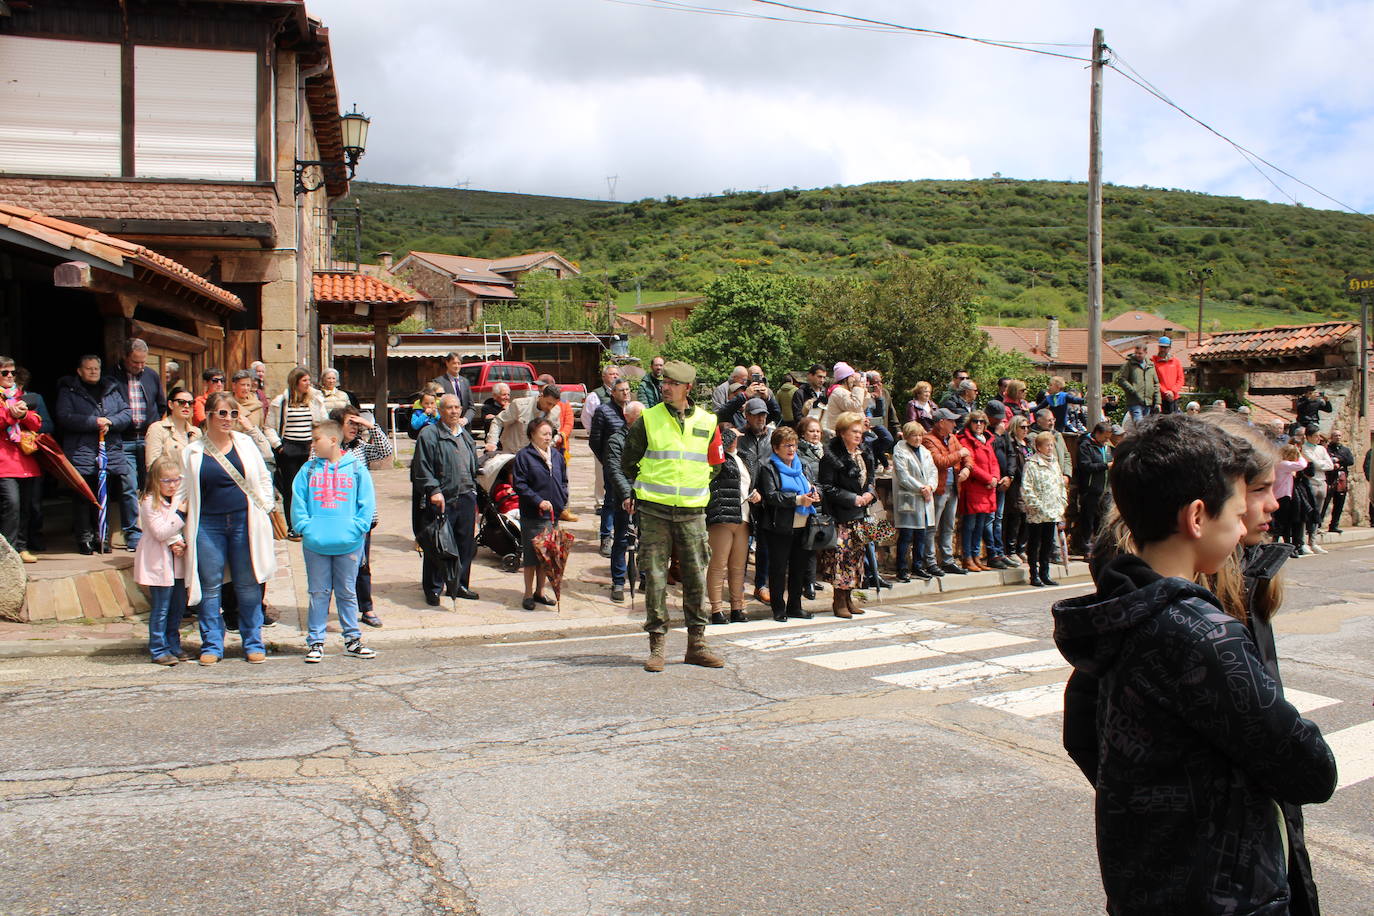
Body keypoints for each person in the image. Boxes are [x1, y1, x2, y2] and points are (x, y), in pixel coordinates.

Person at [1052, 415, 1336, 915]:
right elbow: (1309, 769)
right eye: (1239, 505)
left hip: (1146, 883)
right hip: (1225, 893)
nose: (1251, 517)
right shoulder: (1202, 632)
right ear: (1198, 517)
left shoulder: (1123, 611)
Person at [608, 359, 726, 672]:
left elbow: (715, 464)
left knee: (695, 579)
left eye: (673, 383)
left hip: (692, 512)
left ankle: (697, 645)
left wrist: (694, 485)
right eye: (665, 382)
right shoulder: (648, 418)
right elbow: (627, 462)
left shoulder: (708, 421)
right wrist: (642, 489)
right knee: (656, 579)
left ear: (687, 388)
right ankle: (657, 646)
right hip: (655, 510)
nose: (666, 387)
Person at [180, 391, 278, 665]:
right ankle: (212, 644)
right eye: (222, 413)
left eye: (234, 413)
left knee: (248, 585)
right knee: (210, 587)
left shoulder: (245, 443)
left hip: (243, 521)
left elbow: (262, 476)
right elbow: (184, 491)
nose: (228, 419)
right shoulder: (193, 451)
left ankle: (253, 642)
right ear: (209, 416)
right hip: (208, 524)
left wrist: (265, 507)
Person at [292, 420, 376, 663]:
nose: (313, 444)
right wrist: (306, 528)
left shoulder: (357, 468)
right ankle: (316, 641)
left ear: (332, 440)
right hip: (315, 543)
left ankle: (352, 639)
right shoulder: (308, 470)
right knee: (318, 592)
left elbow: (366, 502)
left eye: (316, 439)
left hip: (348, 543)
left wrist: (357, 529)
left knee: (347, 592)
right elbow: (298, 500)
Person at [55, 354, 132, 554]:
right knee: (83, 496)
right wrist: (94, 422)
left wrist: (110, 422)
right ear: (80, 371)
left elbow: (126, 413)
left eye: (96, 368)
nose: (93, 372)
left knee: (105, 494)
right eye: (88, 369)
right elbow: (65, 417)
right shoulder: (69, 390)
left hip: (108, 449)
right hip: (82, 450)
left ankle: (102, 537)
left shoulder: (111, 389)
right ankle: (84, 538)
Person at [412, 394, 481, 605]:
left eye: (457, 407)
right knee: (439, 544)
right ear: (440, 411)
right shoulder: (430, 434)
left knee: (464, 544)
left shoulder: (465, 435)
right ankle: (433, 588)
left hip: (466, 496)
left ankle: (459, 584)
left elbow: (472, 464)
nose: (454, 411)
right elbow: (421, 467)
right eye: (449, 408)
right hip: (443, 498)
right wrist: (433, 490)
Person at [334, 404, 394, 629]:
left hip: (361, 517)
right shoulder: (327, 447)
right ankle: (340, 608)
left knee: (362, 564)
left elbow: (386, 451)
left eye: (356, 423)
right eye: (350, 422)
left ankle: (366, 608)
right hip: (335, 515)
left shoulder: (360, 447)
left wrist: (370, 426)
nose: (354, 427)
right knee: (335, 564)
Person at [755, 426, 820, 622]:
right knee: (778, 569)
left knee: (799, 568)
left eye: (793, 445)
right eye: (786, 446)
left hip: (803, 525)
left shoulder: (802, 467)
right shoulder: (768, 468)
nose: (791, 449)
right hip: (779, 526)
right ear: (776, 448)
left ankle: (795, 606)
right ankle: (778, 608)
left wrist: (816, 494)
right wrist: (799, 499)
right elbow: (772, 496)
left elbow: (815, 486)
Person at [818, 411, 876, 618]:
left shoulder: (864, 454)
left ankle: (849, 597)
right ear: (842, 432)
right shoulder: (831, 456)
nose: (859, 435)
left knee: (856, 558)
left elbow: (871, 479)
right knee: (840, 560)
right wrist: (851, 498)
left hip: (860, 515)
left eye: (861, 432)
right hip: (840, 515)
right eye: (854, 431)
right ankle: (839, 600)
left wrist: (870, 492)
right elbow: (826, 486)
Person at [133, 454, 189, 665]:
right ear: (155, 480)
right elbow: (160, 531)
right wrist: (180, 515)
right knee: (161, 608)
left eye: (176, 480)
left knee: (177, 607)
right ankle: (158, 647)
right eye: (166, 481)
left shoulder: (177, 499)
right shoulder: (149, 501)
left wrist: (179, 541)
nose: (172, 485)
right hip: (158, 562)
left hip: (177, 562)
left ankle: (174, 644)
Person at [113, 338, 165, 550]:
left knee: (152, 484)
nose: (140, 366)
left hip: (148, 437)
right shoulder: (111, 377)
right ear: (125, 358)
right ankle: (133, 533)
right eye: (135, 362)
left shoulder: (151, 376)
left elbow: (160, 404)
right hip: (124, 439)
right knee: (129, 486)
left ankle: (155, 528)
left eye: (143, 362)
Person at [511, 417, 568, 610]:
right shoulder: (524, 456)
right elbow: (519, 485)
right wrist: (538, 501)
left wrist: (562, 498)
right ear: (532, 435)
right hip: (533, 514)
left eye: (549, 433)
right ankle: (528, 594)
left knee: (547, 557)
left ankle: (540, 592)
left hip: (553, 515)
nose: (547, 437)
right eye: (543, 433)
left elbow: (564, 480)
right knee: (531, 556)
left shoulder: (557, 456)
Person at [268, 367, 328, 536]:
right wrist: (279, 446)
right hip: (289, 449)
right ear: (296, 382)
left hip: (310, 448)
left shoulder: (315, 399)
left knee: (311, 488)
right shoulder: (281, 402)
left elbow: (323, 422)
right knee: (291, 490)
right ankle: (293, 526)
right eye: (304, 380)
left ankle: (310, 523)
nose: (308, 383)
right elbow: (269, 427)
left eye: (309, 380)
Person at [706, 426, 757, 624]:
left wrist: (757, 494)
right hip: (722, 515)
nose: (735, 440)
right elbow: (717, 451)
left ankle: (738, 607)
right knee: (718, 564)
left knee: (738, 567)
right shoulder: (717, 457)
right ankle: (716, 609)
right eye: (730, 437)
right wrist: (727, 434)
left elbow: (750, 484)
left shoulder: (745, 457)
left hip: (743, 515)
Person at [0, 355, 44, 563]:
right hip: (3, 462)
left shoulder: (19, 395)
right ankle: (8, 552)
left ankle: (21, 547)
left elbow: (37, 422)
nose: (10, 376)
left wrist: (23, 415)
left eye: (13, 372)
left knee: (27, 506)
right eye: (4, 373)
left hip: (25, 460)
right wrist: (11, 414)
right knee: (11, 504)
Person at [922, 408, 972, 576]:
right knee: (932, 526)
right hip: (938, 489)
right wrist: (960, 454)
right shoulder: (928, 440)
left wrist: (967, 468)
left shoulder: (951, 438)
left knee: (949, 526)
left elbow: (968, 455)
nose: (954, 424)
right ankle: (930, 561)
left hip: (953, 488)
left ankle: (947, 560)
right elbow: (940, 462)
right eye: (951, 421)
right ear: (941, 422)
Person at [602, 401, 642, 603]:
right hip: (623, 497)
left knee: (645, 539)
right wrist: (628, 495)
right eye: (639, 416)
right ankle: (618, 581)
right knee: (621, 540)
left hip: (646, 496)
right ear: (628, 417)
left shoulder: (648, 438)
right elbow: (614, 470)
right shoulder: (616, 440)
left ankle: (644, 577)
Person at [10, 365, 53, 555]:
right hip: (8, 456)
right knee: (11, 503)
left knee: (32, 503)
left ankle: (31, 538)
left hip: (29, 454)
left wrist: (25, 420)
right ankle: (13, 546)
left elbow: (47, 424)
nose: (15, 387)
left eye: (18, 383)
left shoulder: (33, 399)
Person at [589, 378, 633, 557]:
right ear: (613, 393)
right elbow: (595, 441)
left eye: (628, 390)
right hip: (612, 464)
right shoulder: (603, 411)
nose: (625, 393)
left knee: (630, 501)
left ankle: (629, 537)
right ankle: (606, 537)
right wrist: (606, 461)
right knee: (610, 501)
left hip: (631, 466)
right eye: (621, 390)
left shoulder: (633, 409)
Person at [891, 421, 937, 582]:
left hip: (925, 497)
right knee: (906, 535)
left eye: (920, 435)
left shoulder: (924, 451)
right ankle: (902, 569)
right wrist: (921, 488)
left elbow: (933, 471)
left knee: (921, 535)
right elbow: (903, 476)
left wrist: (930, 486)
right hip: (909, 498)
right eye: (914, 435)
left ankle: (918, 566)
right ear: (906, 436)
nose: (918, 438)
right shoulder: (900, 450)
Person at [1022, 430, 1069, 586]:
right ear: (1039, 447)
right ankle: (1034, 574)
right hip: (1037, 513)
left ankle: (1045, 573)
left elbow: (1060, 485)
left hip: (1052, 511)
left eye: (1051, 445)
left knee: (1048, 543)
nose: (1049, 448)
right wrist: (1037, 506)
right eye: (1046, 445)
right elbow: (1026, 489)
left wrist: (1062, 502)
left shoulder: (1055, 463)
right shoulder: (1032, 464)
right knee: (1035, 543)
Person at [956, 411, 999, 572]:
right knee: (970, 525)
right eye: (975, 421)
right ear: (970, 423)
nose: (979, 424)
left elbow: (994, 462)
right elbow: (971, 465)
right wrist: (989, 479)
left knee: (981, 524)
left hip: (987, 490)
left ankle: (976, 556)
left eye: (982, 421)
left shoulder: (987, 440)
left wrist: (995, 477)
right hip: (974, 488)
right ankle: (967, 557)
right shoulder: (965, 441)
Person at [487, 384, 564, 457]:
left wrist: (549, 445)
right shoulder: (519, 406)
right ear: (541, 396)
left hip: (537, 455)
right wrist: (492, 442)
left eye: (554, 405)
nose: (550, 407)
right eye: (548, 403)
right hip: (513, 453)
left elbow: (555, 433)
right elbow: (498, 421)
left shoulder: (556, 411)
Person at [796, 415, 826, 597]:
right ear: (803, 433)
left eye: (818, 431)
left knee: (814, 544)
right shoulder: (800, 452)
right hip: (807, 500)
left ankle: (811, 579)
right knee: (804, 545)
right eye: (811, 431)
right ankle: (806, 582)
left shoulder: (823, 451)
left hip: (821, 500)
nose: (815, 435)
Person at [1073, 421, 1112, 556]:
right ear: (1097, 433)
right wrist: (1106, 465)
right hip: (1090, 489)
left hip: (1105, 489)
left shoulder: (1106, 447)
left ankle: (1101, 546)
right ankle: (1086, 546)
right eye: (1105, 437)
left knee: (1103, 519)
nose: (1107, 440)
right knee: (1088, 519)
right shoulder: (1085, 446)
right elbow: (1085, 466)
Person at [995, 415, 1030, 564]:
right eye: (1022, 427)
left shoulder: (1028, 444)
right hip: (1016, 485)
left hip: (1028, 485)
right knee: (1015, 517)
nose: (1026, 430)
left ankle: (1021, 548)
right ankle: (1011, 549)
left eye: (1027, 427)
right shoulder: (1012, 443)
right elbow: (1012, 463)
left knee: (1026, 518)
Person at [144, 389, 202, 471]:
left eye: (191, 403)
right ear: (170, 404)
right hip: (168, 481)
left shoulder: (197, 432)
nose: (186, 406)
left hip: (192, 481)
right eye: (181, 402)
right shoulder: (157, 429)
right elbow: (152, 466)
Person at [1299, 426, 1332, 555]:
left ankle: (1313, 542)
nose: (1319, 438)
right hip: (1310, 483)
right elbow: (1313, 464)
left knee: (1317, 514)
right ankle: (1302, 542)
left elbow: (1329, 465)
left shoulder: (1321, 449)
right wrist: (1320, 464)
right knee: (1306, 513)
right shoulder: (1305, 448)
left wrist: (1320, 464)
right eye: (1316, 436)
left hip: (1321, 482)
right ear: (1308, 436)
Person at [1113, 342, 1160, 425]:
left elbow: (1156, 384)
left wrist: (1157, 402)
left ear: (1145, 353)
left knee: (1145, 424)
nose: (1137, 355)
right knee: (1139, 423)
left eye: (1140, 353)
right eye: (1136, 353)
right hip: (1134, 401)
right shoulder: (1129, 365)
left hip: (1147, 402)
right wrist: (1132, 390)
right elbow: (1121, 379)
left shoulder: (1151, 366)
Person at [1273, 443, 1308, 548]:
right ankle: (1285, 544)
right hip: (1282, 496)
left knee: (1283, 521)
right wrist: (1300, 455)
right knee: (1284, 522)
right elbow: (1302, 465)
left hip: (1279, 495)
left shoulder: (1278, 464)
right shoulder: (1284, 465)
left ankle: (1285, 543)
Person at [430, 352, 477, 425]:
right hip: (446, 426)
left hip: (464, 426)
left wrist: (465, 419)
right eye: (454, 363)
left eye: (459, 363)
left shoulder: (465, 381)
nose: (457, 366)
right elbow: (436, 406)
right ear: (447, 363)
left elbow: (471, 407)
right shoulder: (438, 382)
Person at [822, 363, 867, 437]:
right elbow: (855, 407)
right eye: (852, 376)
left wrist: (864, 393)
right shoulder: (839, 392)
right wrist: (858, 388)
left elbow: (861, 407)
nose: (854, 379)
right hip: (841, 435)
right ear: (845, 378)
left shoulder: (845, 391)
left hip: (849, 433)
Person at [1323, 428, 1354, 533]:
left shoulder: (1345, 450)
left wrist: (1338, 459)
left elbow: (1350, 461)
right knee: (1325, 502)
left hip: (1341, 480)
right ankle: (1317, 525)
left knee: (1339, 503)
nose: (1338, 437)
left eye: (1339, 435)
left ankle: (1334, 525)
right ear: (1331, 437)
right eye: (1335, 435)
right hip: (1330, 479)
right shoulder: (1327, 449)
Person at [230, 370, 271, 440]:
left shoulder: (257, 406)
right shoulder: (226, 403)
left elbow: (260, 429)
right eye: (242, 385)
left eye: (248, 385)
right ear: (234, 386)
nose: (246, 388)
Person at [1150, 336, 1184, 414]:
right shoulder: (1153, 362)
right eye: (1161, 347)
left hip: (1173, 398)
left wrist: (1173, 391)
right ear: (1158, 347)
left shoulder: (1176, 362)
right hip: (1159, 399)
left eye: (1165, 347)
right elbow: (1153, 380)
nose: (1163, 349)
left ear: (1169, 348)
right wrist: (1165, 392)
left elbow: (1181, 379)